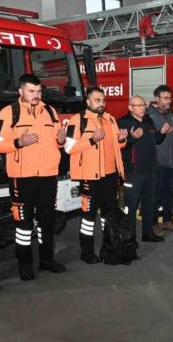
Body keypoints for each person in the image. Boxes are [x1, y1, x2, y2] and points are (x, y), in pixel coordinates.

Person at [0, 74, 67, 281]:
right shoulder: (9, 113)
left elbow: (58, 141)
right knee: (23, 225)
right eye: (31, 91)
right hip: (22, 177)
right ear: (21, 92)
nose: (36, 95)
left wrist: (61, 140)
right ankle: (24, 265)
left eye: (39, 91)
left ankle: (46, 260)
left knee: (47, 221)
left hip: (48, 175)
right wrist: (18, 142)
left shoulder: (50, 112)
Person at [65, 87, 128, 264]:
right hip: (89, 177)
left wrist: (122, 139)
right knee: (88, 217)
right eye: (97, 100)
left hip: (110, 176)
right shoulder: (77, 120)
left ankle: (109, 249)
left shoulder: (110, 120)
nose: (101, 103)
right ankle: (87, 252)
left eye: (103, 100)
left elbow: (116, 146)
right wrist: (91, 139)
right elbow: (69, 148)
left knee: (109, 215)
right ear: (88, 102)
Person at [118, 95, 170, 243]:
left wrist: (162, 133)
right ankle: (130, 238)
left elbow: (155, 141)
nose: (143, 108)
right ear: (130, 108)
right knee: (131, 205)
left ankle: (148, 234)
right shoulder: (123, 122)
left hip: (150, 169)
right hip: (134, 171)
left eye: (144, 105)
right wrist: (132, 137)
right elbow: (120, 146)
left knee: (149, 203)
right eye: (139, 105)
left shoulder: (148, 121)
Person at [147, 85, 173, 233]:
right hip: (158, 162)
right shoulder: (150, 116)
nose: (169, 101)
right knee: (156, 194)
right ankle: (153, 223)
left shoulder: (172, 116)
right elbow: (151, 140)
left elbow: (172, 138)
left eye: (170, 97)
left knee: (169, 193)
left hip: (172, 161)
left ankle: (167, 220)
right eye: (165, 98)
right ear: (157, 99)